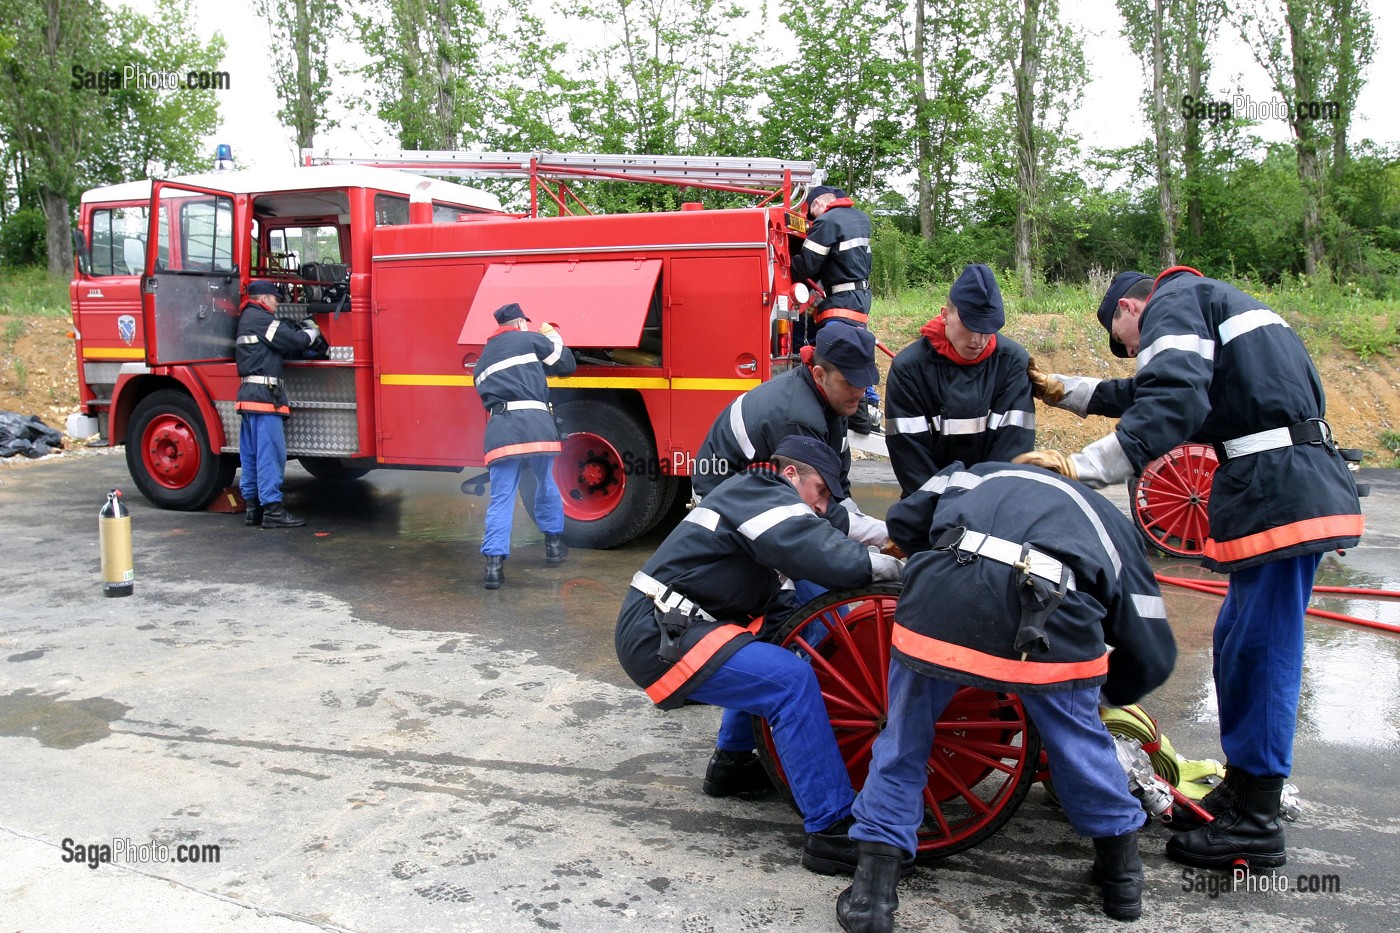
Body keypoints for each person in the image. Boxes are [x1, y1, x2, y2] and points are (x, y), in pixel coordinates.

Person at [1026, 267, 1364, 872]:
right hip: (1283, 488)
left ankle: (1256, 825)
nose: (1131, 350)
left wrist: (1082, 466)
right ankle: (1243, 792)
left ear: (1133, 305)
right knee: (1238, 642)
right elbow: (1155, 390)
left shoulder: (1175, 298)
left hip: (1280, 492)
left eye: (1125, 338)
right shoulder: (1214, 306)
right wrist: (1065, 391)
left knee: (1260, 652)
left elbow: (1174, 399)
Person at [836, 458, 1177, 931]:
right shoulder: (1106, 516)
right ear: (1068, 478)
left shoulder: (972, 474)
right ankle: (1121, 882)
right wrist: (1108, 695)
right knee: (1081, 747)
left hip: (941, 606)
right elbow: (1151, 646)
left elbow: (906, 521)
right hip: (1048, 620)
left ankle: (872, 898)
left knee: (903, 740)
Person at [615, 435, 904, 872]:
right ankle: (830, 832)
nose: (823, 507)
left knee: (793, 633)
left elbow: (806, 595)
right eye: (820, 492)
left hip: (685, 625)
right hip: (661, 633)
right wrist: (903, 569)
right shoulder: (760, 490)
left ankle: (732, 763)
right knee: (789, 682)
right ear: (790, 474)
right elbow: (831, 556)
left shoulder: (764, 509)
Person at [693, 321, 887, 547]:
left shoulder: (837, 399)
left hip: (762, 488)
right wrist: (880, 535)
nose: (859, 392)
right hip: (723, 498)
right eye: (849, 383)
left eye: (865, 383)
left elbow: (837, 488)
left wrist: (862, 526)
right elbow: (808, 506)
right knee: (801, 567)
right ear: (819, 374)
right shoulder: (796, 418)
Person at [884, 263, 1035, 495]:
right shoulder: (909, 370)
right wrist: (948, 514)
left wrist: (980, 508)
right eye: (969, 326)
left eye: (987, 329)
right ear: (946, 315)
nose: (978, 339)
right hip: (927, 509)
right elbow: (912, 464)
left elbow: (1013, 451)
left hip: (994, 504)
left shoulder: (1012, 362)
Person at [476, 302, 577, 589]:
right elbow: (565, 365)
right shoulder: (528, 338)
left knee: (502, 497)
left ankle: (493, 568)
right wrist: (552, 334)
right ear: (520, 323)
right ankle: (554, 545)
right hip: (536, 426)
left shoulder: (482, 359)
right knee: (545, 482)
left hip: (500, 432)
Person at [790, 185, 880, 433]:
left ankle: (859, 417)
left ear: (817, 204)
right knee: (858, 346)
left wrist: (786, 262)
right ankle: (871, 404)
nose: (813, 220)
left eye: (811, 214)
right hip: (860, 297)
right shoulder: (860, 218)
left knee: (840, 355)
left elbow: (806, 264)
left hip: (841, 301)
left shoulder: (827, 221)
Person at [235, 280, 322, 529]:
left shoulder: (247, 318)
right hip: (264, 397)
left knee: (250, 455)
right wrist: (313, 331)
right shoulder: (261, 319)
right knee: (270, 454)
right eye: (275, 300)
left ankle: (253, 508)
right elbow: (293, 341)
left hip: (248, 396)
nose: (277, 304)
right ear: (263, 299)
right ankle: (272, 510)